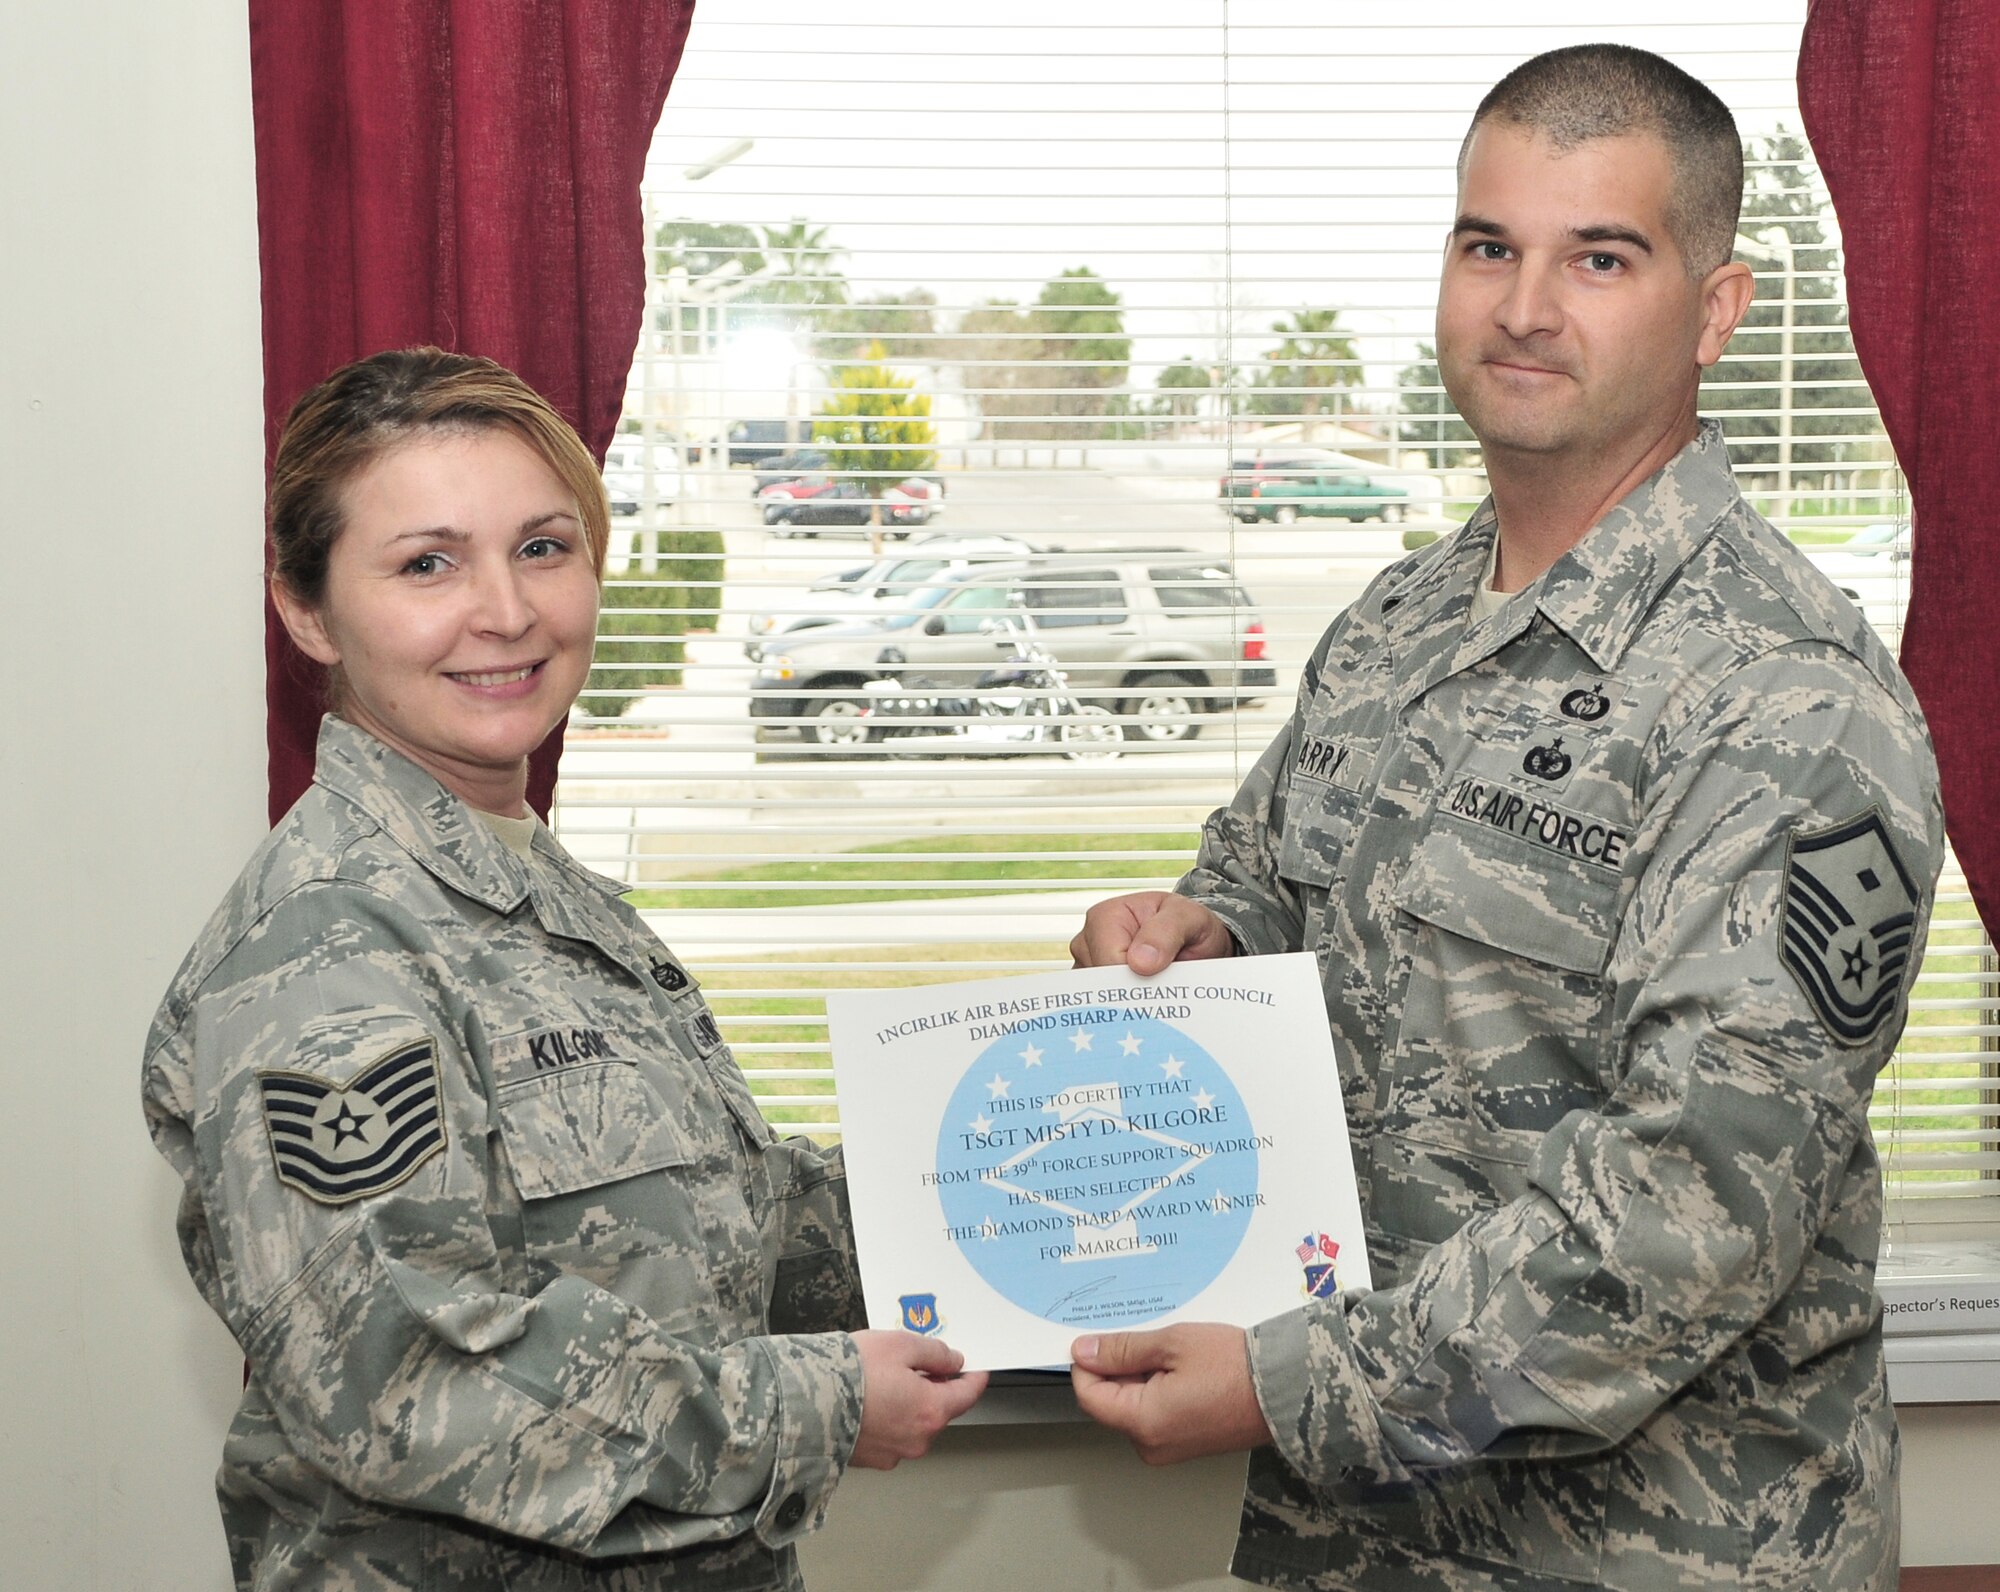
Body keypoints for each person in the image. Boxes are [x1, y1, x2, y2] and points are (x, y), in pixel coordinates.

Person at [1068, 44, 1942, 1592]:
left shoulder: (1788, 699)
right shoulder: (1405, 616)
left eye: (1600, 256)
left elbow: (1697, 1200)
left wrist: (1290, 1384)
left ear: (1717, 310)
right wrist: (1194, 940)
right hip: (1362, 1540)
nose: (1526, 307)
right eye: (1490, 247)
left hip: (1659, 1550)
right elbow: (1271, 882)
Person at [142, 348, 984, 1591]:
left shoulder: (535, 889)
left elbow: (690, 1230)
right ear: (308, 607)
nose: (506, 610)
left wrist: (1013, 1182)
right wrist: (818, 1402)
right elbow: (404, 1382)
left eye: (542, 546)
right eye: (428, 561)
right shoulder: (327, 946)